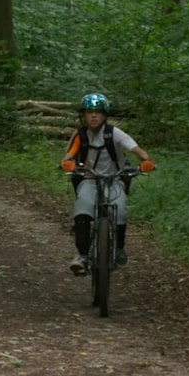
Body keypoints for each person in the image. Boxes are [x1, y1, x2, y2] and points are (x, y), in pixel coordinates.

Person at [59, 92, 155, 274]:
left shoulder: (114, 133)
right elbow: (69, 154)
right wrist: (67, 162)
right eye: (89, 112)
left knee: (119, 209)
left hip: (115, 179)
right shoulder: (80, 135)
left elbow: (135, 148)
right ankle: (82, 255)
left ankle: (119, 249)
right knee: (82, 210)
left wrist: (145, 161)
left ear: (104, 115)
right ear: (83, 116)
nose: (93, 116)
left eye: (98, 112)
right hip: (89, 178)